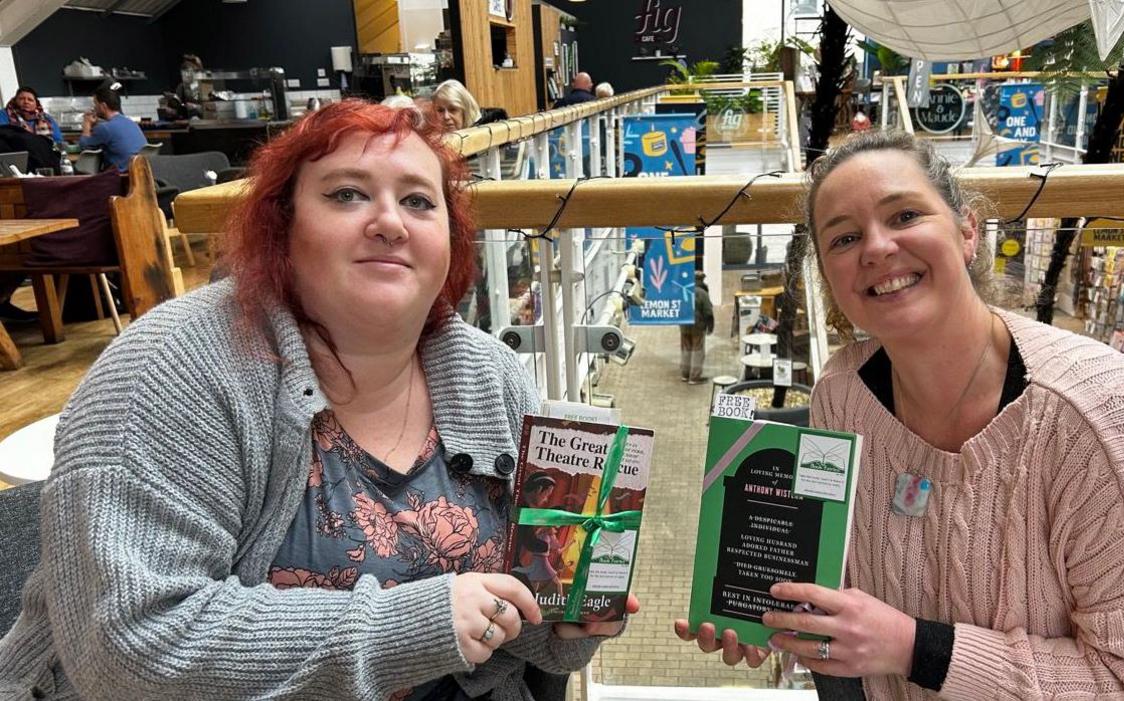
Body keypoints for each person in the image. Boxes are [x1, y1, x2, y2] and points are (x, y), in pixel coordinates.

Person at [0, 100, 635, 700]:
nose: (389, 222)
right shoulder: (169, 369)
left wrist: (566, 627)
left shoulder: (490, 374)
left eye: (419, 201)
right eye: (346, 194)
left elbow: (521, 623)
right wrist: (412, 626)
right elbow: (128, 651)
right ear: (282, 226)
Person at [676, 131, 1124, 698]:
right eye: (845, 238)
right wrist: (765, 612)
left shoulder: (1107, 417)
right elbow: (843, 583)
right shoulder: (842, 397)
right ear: (827, 276)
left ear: (968, 231)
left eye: (904, 215)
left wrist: (914, 647)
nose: (876, 248)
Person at [78, 86, 147, 172]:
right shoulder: (131, 123)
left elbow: (84, 147)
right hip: (139, 175)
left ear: (103, 106)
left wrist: (87, 124)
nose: (94, 108)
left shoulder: (105, 128)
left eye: (95, 104)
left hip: (118, 178)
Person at [679, 271, 714, 384]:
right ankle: (694, 377)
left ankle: (685, 374)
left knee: (686, 349)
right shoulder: (702, 293)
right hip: (697, 326)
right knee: (697, 350)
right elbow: (708, 312)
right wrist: (710, 326)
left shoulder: (683, 289)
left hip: (684, 324)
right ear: (701, 280)